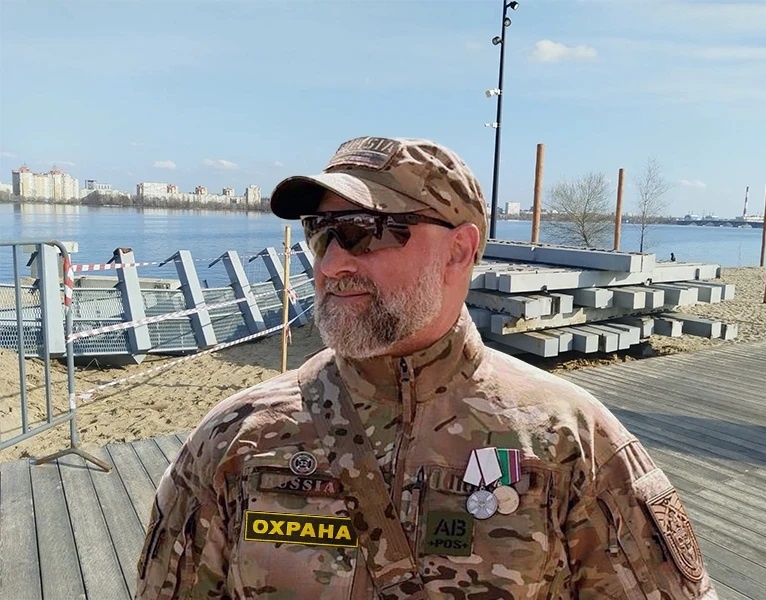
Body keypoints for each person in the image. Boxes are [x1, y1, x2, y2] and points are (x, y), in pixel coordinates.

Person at [136, 136, 717, 599]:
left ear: (459, 250)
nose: (331, 264)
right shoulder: (236, 439)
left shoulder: (571, 443)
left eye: (363, 232)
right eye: (320, 232)